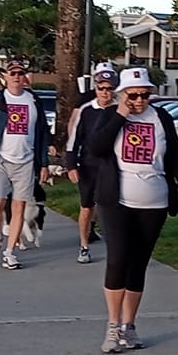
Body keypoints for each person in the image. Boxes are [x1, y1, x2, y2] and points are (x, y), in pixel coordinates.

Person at [81, 67, 178, 353]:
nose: (140, 101)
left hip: (153, 202)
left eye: (145, 95)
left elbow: (177, 159)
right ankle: (112, 325)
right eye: (133, 96)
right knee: (118, 259)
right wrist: (121, 115)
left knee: (138, 264)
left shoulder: (161, 118)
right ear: (122, 95)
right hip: (117, 201)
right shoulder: (110, 116)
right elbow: (96, 147)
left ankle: (129, 325)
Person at [0, 61, 43, 270]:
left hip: (26, 160)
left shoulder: (33, 100)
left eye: (20, 73)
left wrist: (44, 163)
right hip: (0, 159)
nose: (16, 76)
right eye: (12, 73)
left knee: (19, 207)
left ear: (25, 77)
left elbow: (42, 133)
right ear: (6, 76)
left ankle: (10, 252)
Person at [64, 64, 119, 263]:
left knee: (112, 206)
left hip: (112, 165)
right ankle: (84, 246)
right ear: (95, 88)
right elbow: (74, 140)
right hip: (88, 165)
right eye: (101, 88)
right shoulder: (87, 110)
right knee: (87, 207)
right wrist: (71, 164)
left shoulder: (120, 110)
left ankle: (116, 245)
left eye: (109, 88)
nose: (105, 92)